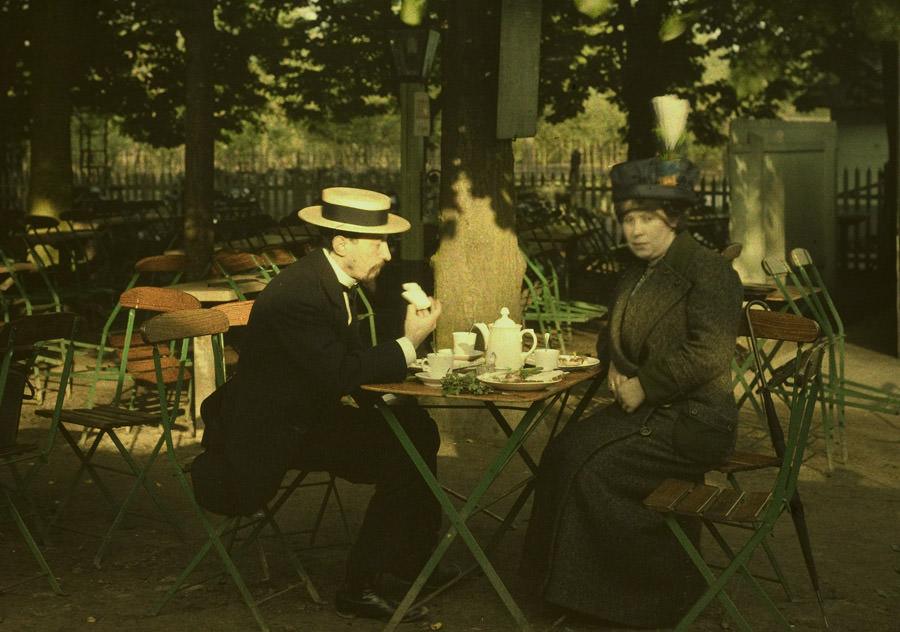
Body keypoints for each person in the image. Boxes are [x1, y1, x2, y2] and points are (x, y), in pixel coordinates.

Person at [192, 186, 456, 623]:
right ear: (341, 243)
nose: (388, 255)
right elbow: (337, 372)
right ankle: (360, 587)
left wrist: (392, 395)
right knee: (401, 456)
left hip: (304, 415)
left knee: (415, 429)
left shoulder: (330, 279)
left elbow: (344, 363)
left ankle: (410, 561)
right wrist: (409, 343)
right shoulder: (298, 293)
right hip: (268, 432)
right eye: (380, 243)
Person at [520, 157, 744, 628]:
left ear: (675, 220)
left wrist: (645, 384)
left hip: (695, 421)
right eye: (627, 219)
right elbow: (611, 336)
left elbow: (711, 352)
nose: (636, 231)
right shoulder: (636, 272)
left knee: (596, 470)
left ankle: (645, 599)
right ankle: (561, 589)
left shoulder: (709, 272)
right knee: (562, 452)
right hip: (646, 413)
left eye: (647, 219)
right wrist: (618, 369)